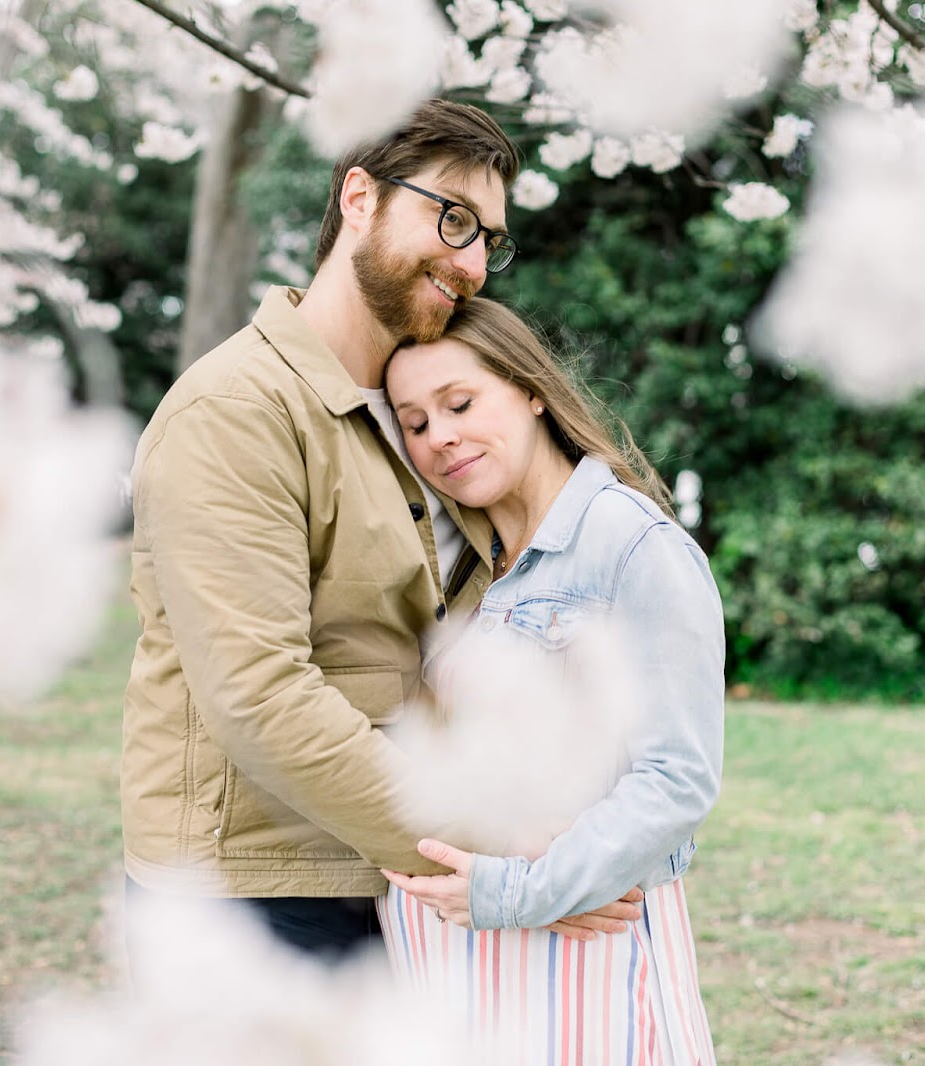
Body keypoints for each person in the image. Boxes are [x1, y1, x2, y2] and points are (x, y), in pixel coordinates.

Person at [120, 99, 638, 961]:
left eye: (490, 240)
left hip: (396, 885)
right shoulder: (235, 411)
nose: (473, 262)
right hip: (252, 898)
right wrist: (501, 855)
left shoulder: (425, 416)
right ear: (359, 198)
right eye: (454, 218)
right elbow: (262, 695)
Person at [380, 298, 725, 1064]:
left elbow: (677, 778)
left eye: (460, 403)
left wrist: (518, 893)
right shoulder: (458, 564)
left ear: (532, 388)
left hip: (580, 962)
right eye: (415, 423)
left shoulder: (634, 546)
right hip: (454, 970)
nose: (441, 437)